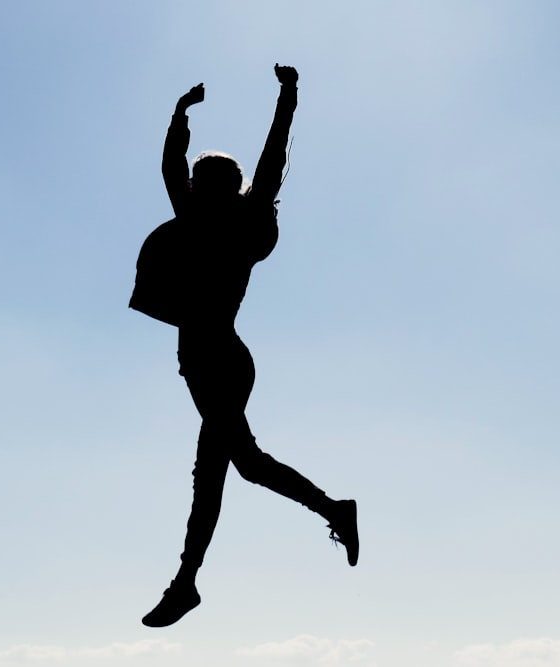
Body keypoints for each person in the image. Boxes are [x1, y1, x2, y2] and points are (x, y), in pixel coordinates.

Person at [141, 64, 359, 629]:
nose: (189, 185)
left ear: (210, 187)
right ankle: (332, 509)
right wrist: (183, 117)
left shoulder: (222, 222)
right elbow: (246, 166)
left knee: (215, 474)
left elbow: (269, 162)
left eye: (197, 179)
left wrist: (185, 114)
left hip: (218, 359)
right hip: (213, 360)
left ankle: (186, 582)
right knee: (245, 466)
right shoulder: (217, 220)